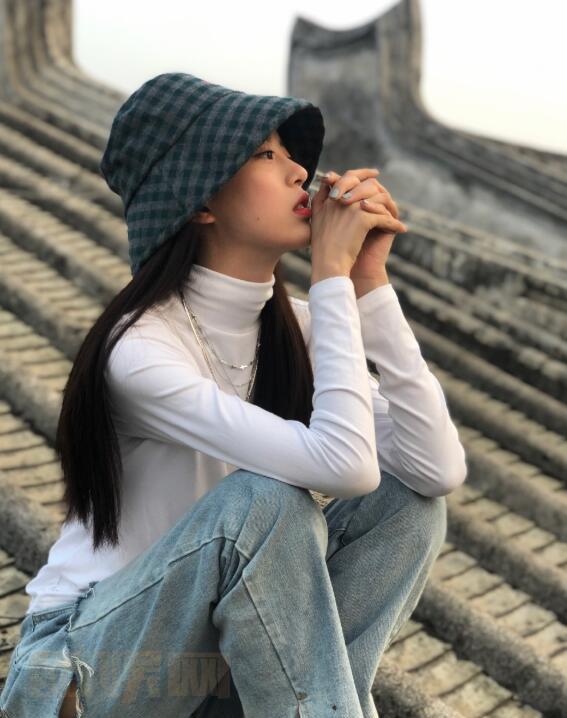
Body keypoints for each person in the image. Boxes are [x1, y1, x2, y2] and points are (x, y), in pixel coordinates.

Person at [0, 72, 467, 718]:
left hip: (212, 675)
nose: (300, 171)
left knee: (409, 507)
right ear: (200, 202)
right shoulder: (139, 349)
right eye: (266, 155)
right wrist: (330, 273)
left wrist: (367, 282)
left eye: (291, 154)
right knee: (264, 504)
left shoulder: (298, 327)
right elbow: (347, 466)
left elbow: (436, 469)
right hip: (89, 669)